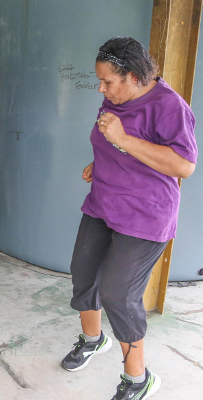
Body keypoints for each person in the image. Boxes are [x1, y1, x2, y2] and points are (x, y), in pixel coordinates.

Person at [61, 37, 197, 399]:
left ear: (134, 77)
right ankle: (93, 340)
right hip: (104, 202)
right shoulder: (115, 97)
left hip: (147, 215)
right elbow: (112, 143)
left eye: (108, 82)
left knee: (119, 294)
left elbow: (183, 165)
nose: (101, 89)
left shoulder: (170, 107)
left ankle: (138, 379)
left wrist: (125, 140)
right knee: (83, 273)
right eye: (100, 81)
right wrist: (100, 162)